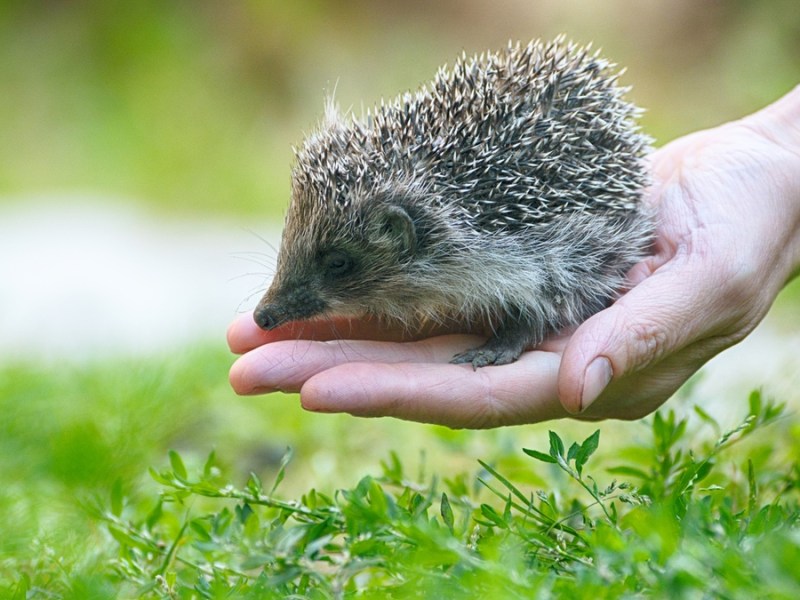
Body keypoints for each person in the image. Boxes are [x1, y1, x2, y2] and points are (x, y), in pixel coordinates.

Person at [227, 85, 800, 428]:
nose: (273, 309)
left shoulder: (491, 252)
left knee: (545, 289)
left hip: (564, 240)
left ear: (401, 237)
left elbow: (550, 280)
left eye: (338, 267)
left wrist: (516, 333)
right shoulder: (390, 219)